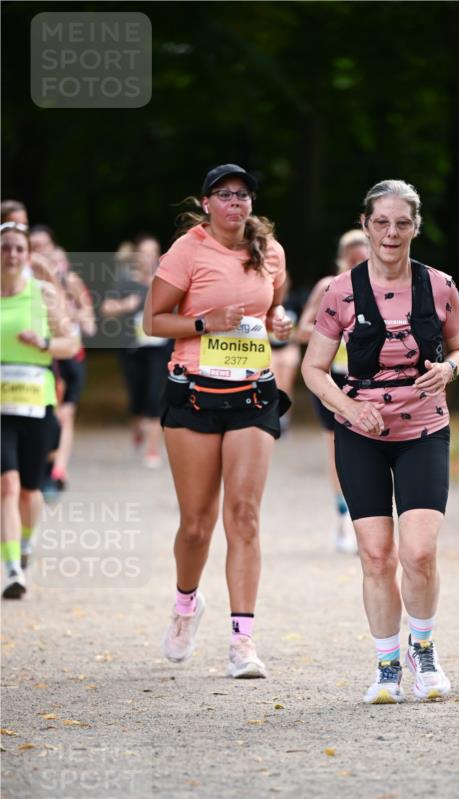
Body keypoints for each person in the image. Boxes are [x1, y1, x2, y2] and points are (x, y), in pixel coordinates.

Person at [302, 179, 459, 704]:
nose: (392, 232)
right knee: (376, 556)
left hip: (424, 429)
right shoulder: (340, 290)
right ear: (366, 224)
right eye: (382, 222)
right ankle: (386, 666)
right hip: (361, 434)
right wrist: (350, 407)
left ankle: (424, 652)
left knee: (417, 552)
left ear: (416, 226)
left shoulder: (439, 285)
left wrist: (447, 368)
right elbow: (313, 369)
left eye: (402, 222)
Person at [143, 163, 292, 677]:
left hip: (252, 394)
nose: (236, 202)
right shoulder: (188, 249)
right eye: (225, 194)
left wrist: (279, 321)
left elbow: (275, 304)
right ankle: (186, 605)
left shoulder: (269, 250)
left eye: (244, 194)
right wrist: (206, 322)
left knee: (245, 517)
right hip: (194, 396)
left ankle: (242, 642)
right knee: (196, 524)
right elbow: (154, 319)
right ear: (206, 203)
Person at [0, 222, 78, 597]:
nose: (11, 255)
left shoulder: (43, 294)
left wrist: (43, 341)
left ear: (28, 256)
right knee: (7, 485)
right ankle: (13, 569)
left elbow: (71, 343)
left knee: (31, 490)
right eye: (5, 248)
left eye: (18, 249)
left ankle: (26, 543)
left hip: (36, 402)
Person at [297, 229, 369, 553]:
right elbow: (301, 330)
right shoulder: (328, 287)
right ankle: (344, 519)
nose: (357, 264)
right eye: (352, 259)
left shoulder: (386, 289)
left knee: (374, 448)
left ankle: (370, 518)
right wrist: (329, 333)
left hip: (370, 380)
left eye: (363, 258)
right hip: (331, 378)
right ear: (342, 259)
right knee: (337, 450)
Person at [101, 235, 168, 467]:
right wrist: (124, 306)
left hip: (159, 347)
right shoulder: (125, 281)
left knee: (154, 395)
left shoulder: (165, 280)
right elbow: (106, 308)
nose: (149, 257)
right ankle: (138, 427)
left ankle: (152, 450)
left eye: (153, 252)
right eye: (144, 252)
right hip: (131, 348)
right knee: (137, 397)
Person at [48, 246, 96, 490]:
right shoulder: (39, 289)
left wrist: (74, 314)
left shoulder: (74, 283)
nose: (57, 267)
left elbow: (90, 327)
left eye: (61, 262)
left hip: (73, 357)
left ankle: (59, 468)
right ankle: (49, 461)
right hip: (51, 357)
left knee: (66, 416)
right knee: (53, 415)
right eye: (52, 261)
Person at [268, 271, 301, 435]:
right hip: (270, 349)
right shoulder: (267, 302)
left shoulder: (294, 302)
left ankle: (285, 419)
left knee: (286, 384)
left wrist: (292, 336)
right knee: (273, 385)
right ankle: (273, 418)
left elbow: (301, 326)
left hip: (288, 348)